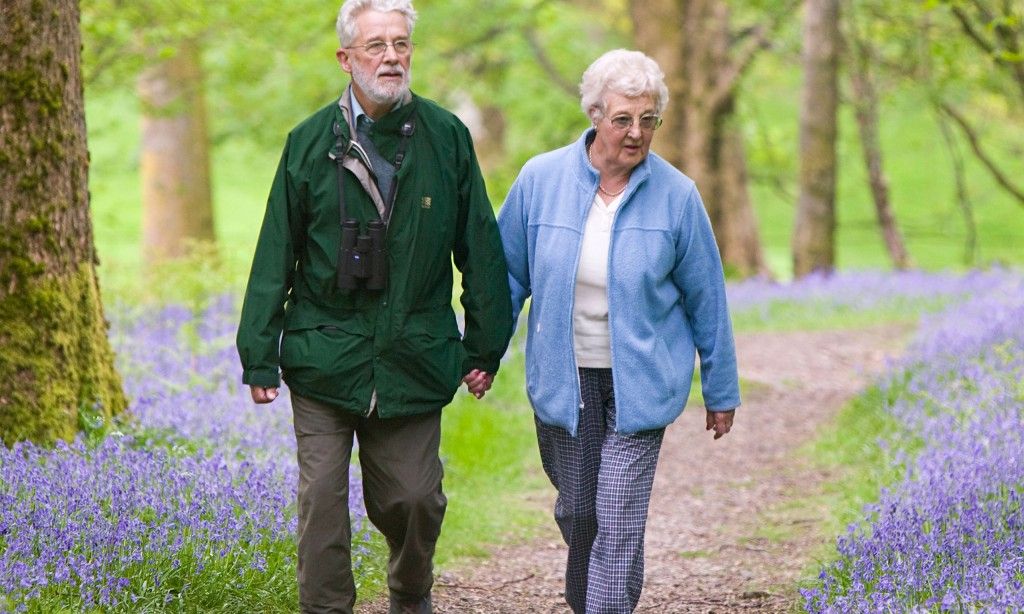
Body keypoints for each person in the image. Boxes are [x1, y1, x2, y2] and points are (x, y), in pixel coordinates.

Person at [235, 1, 512, 612]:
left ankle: (410, 592)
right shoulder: (308, 143)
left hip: (415, 355)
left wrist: (485, 346)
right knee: (322, 503)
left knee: (414, 500)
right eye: (376, 46)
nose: (391, 57)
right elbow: (275, 251)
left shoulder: (448, 138)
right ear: (346, 59)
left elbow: (481, 250)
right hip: (323, 352)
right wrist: (259, 353)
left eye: (401, 44)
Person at [496, 49, 741, 613]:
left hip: (642, 384)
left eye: (648, 120)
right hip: (565, 379)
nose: (636, 133)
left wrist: (720, 389)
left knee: (620, 515)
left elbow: (708, 299)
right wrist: (484, 353)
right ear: (594, 113)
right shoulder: (541, 180)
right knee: (579, 512)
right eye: (623, 119)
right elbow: (506, 277)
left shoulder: (678, 196)